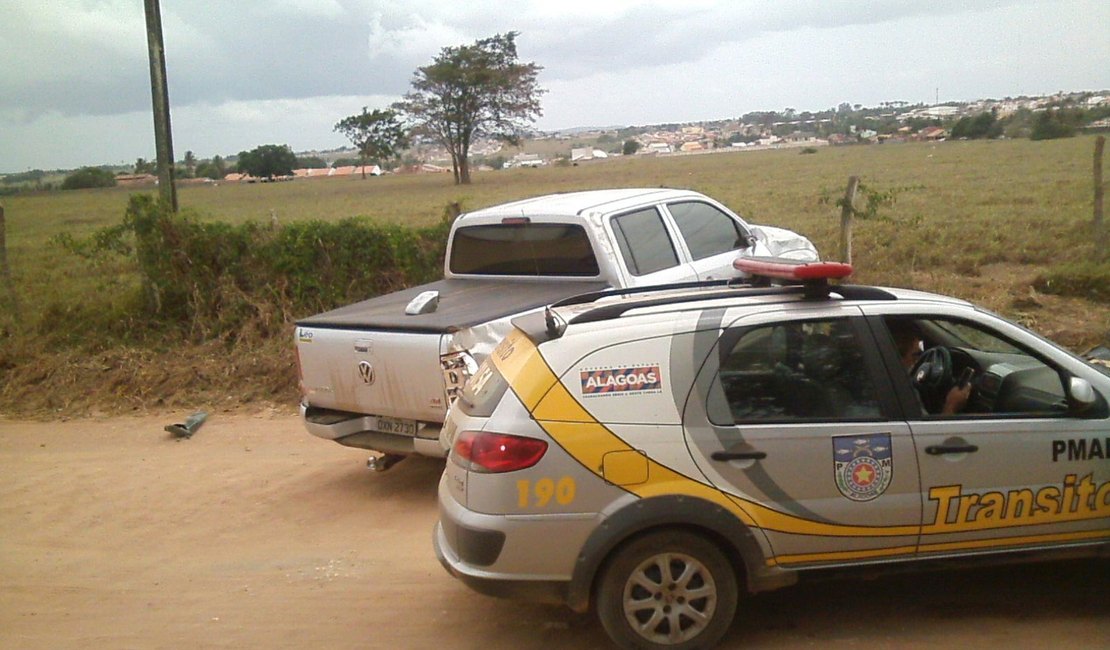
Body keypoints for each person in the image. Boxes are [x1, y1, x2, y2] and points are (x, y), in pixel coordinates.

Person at [890, 321, 970, 415]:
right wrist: (951, 405)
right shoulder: (901, 395)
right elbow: (924, 429)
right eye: (915, 355)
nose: (917, 361)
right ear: (898, 358)